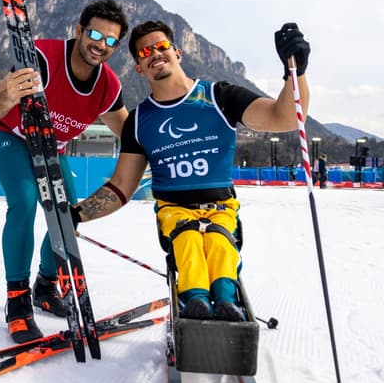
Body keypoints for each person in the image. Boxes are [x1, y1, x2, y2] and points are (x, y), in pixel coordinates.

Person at [72, 20, 310, 322]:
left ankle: (227, 301)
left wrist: (295, 73)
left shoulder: (220, 97)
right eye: (145, 52)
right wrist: (77, 214)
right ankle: (194, 300)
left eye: (161, 46)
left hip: (220, 207)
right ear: (138, 68)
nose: (154, 53)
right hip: (174, 211)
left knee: (219, 242)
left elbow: (284, 117)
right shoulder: (139, 121)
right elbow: (120, 185)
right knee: (188, 241)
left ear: (177, 52)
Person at [0, 0, 130, 343]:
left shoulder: (107, 86)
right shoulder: (42, 58)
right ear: (79, 31)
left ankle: (45, 285)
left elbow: (130, 134)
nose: (100, 45)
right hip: (9, 134)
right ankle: (17, 301)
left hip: (51, 147)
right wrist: (8, 97)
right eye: (95, 35)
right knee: (24, 201)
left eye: (110, 41)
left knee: (68, 214)